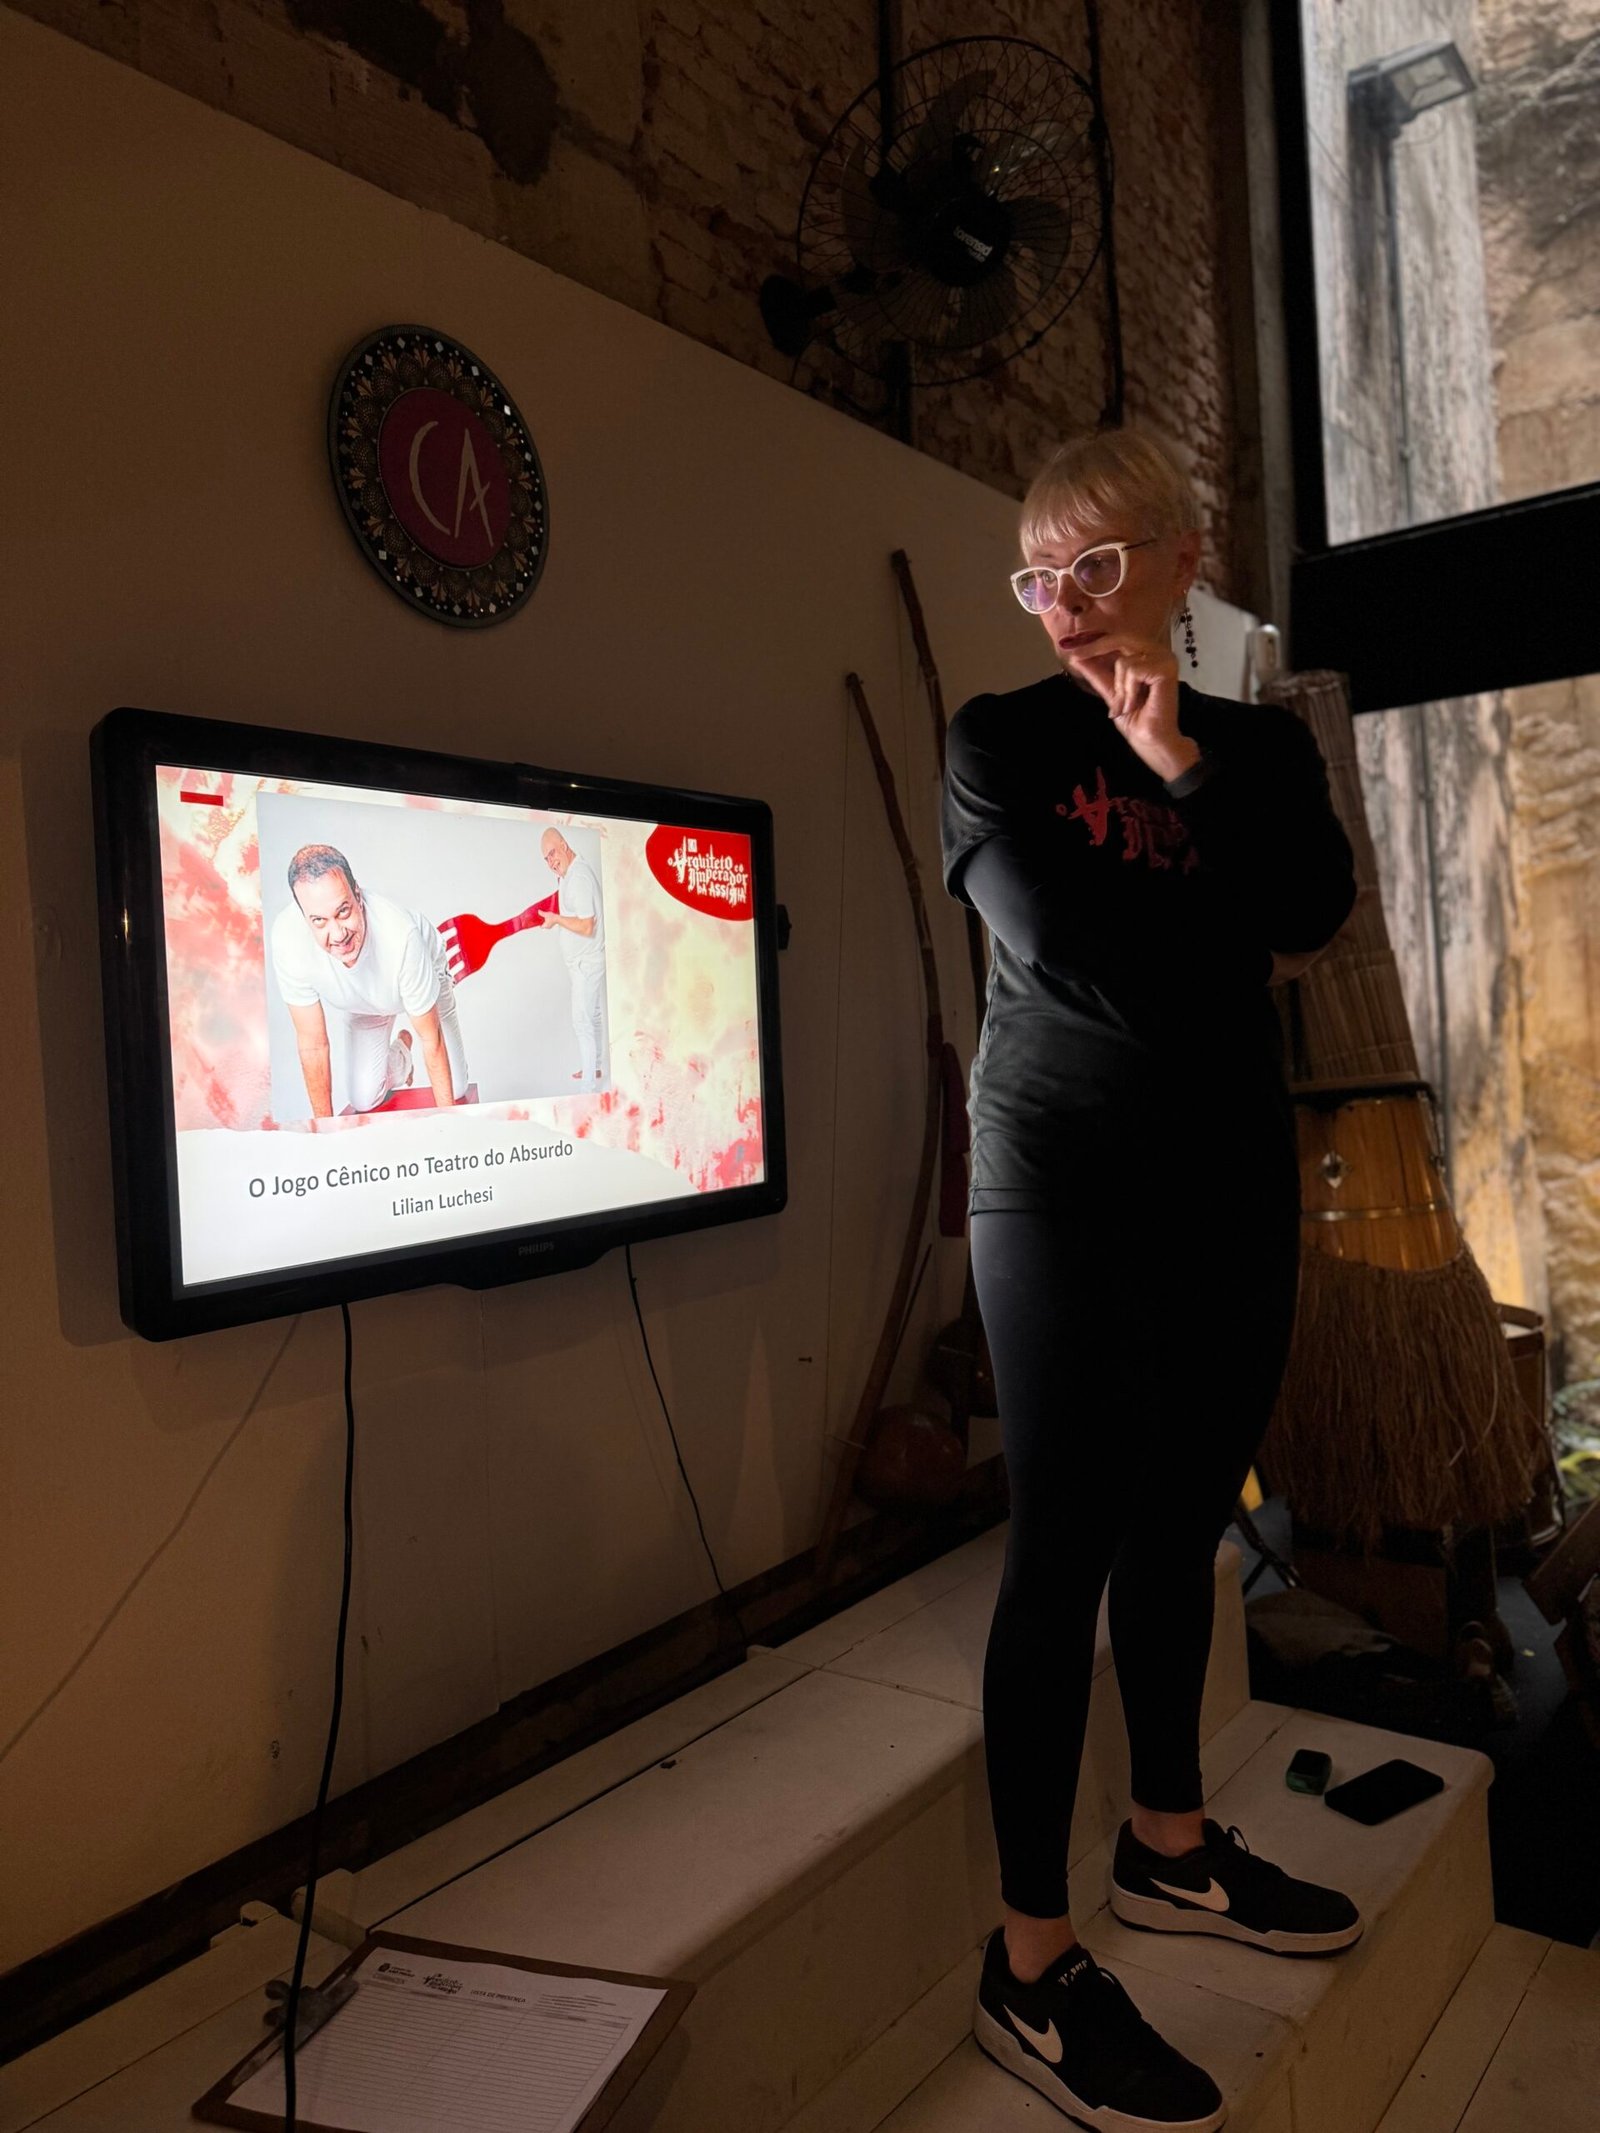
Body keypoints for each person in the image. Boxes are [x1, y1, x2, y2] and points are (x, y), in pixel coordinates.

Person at [941, 427, 1362, 2132]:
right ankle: (1030, 1957)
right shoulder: (1000, 742)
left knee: (1185, 1517)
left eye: (1098, 565)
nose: (1063, 602)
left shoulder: (1257, 746)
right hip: (1061, 1175)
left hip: (1229, 1168)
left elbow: (1314, 912)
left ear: (1185, 561)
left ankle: (1169, 1843)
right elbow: (1079, 955)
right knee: (1061, 1545)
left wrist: (1183, 762)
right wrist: (1230, 939)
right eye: (1039, 574)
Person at [270, 843, 468, 1117]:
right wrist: (325, 1131)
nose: (338, 934)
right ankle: (401, 1052)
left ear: (358, 896)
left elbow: (431, 1038)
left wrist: (450, 1126)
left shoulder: (402, 936)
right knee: (363, 1099)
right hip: (363, 1000)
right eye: (319, 921)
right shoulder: (287, 939)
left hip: (424, 973)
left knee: (456, 1088)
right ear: (303, 916)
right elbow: (312, 1044)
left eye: (343, 912)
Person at [539, 828, 608, 1087]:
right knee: (594, 1015)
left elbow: (587, 926)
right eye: (546, 859)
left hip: (586, 963)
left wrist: (556, 919)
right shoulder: (569, 874)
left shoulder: (578, 877)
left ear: (564, 845)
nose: (550, 862)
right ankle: (595, 1069)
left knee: (582, 1022)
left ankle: (588, 1086)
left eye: (552, 853)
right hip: (585, 961)